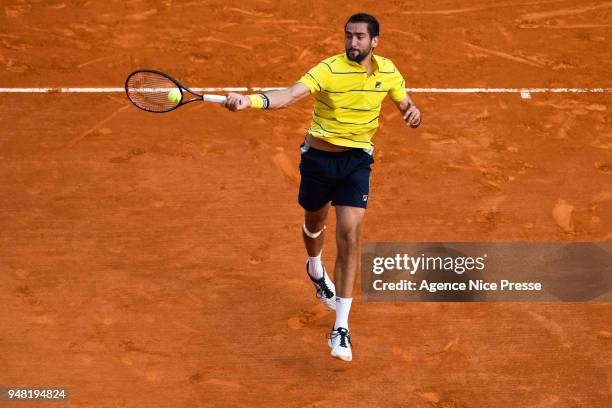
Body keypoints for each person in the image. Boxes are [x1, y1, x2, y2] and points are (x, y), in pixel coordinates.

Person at [223, 13, 421, 362]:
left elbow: (401, 99)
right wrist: (250, 101)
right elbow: (288, 95)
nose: (353, 43)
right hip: (318, 160)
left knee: (349, 236)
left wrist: (410, 110)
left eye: (360, 37)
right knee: (315, 224)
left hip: (356, 163)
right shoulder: (328, 69)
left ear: (374, 41)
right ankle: (314, 266)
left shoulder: (389, 71)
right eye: (349, 36)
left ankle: (341, 327)